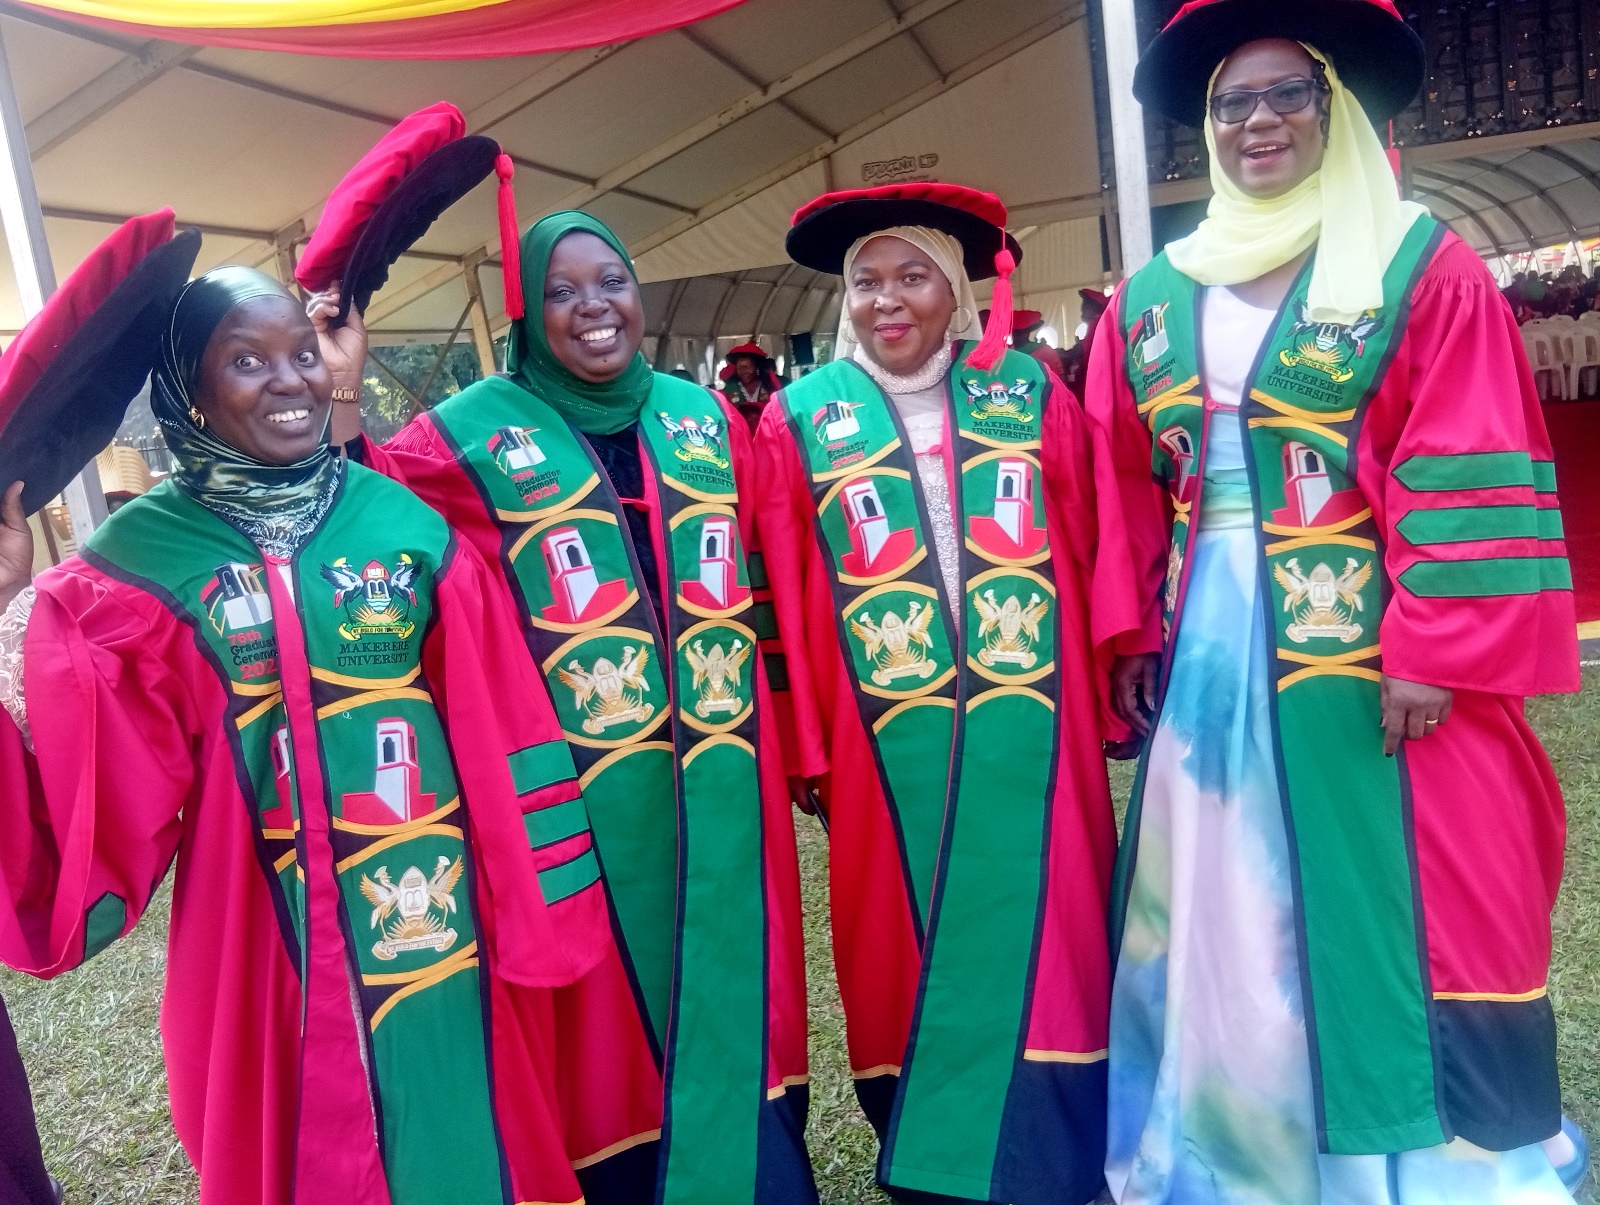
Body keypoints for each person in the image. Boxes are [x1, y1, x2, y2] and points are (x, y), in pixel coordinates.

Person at [0, 226, 612, 1204]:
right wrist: (6, 601)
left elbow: (503, 730)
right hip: (260, 942)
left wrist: (539, 916)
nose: (291, 380)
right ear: (189, 390)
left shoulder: (404, 528)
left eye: (301, 354)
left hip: (435, 924)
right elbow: (93, 778)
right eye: (247, 360)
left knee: (463, 1141)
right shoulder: (136, 565)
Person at [1091, 2, 1583, 1200]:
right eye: (1230, 103)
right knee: (1222, 897)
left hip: (1365, 649)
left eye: (1284, 95)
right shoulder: (1153, 293)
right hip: (1209, 655)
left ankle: (1420, 1168)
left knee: (1404, 897)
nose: (1255, 120)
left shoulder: (1414, 261)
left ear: (1334, 110)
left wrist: (1432, 643)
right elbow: (1116, 475)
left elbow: (1463, 448)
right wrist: (1133, 631)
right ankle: (1233, 1148)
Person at [323, 210, 815, 1205]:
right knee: (609, 1027)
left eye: (612, 282)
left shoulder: (703, 417)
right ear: (526, 311)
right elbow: (365, 521)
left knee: (736, 984)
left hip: (722, 770)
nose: (594, 306)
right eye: (561, 290)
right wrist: (339, 391)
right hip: (583, 788)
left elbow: (766, 577)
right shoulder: (462, 436)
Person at [756, 181, 1155, 1205]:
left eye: (912, 276)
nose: (886, 300)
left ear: (958, 293)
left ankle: (1062, 1156)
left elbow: (1093, 529)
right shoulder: (800, 418)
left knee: (1055, 927)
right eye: (866, 282)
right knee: (900, 933)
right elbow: (782, 586)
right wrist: (808, 739)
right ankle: (936, 1164)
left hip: (1035, 722)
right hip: (882, 738)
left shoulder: (1025, 391)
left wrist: (1119, 654)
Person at [719, 341, 783, 430]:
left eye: (746, 367)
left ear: (756, 367)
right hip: (741, 432)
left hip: (768, 431)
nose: (743, 372)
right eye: (739, 368)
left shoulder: (769, 386)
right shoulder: (730, 389)